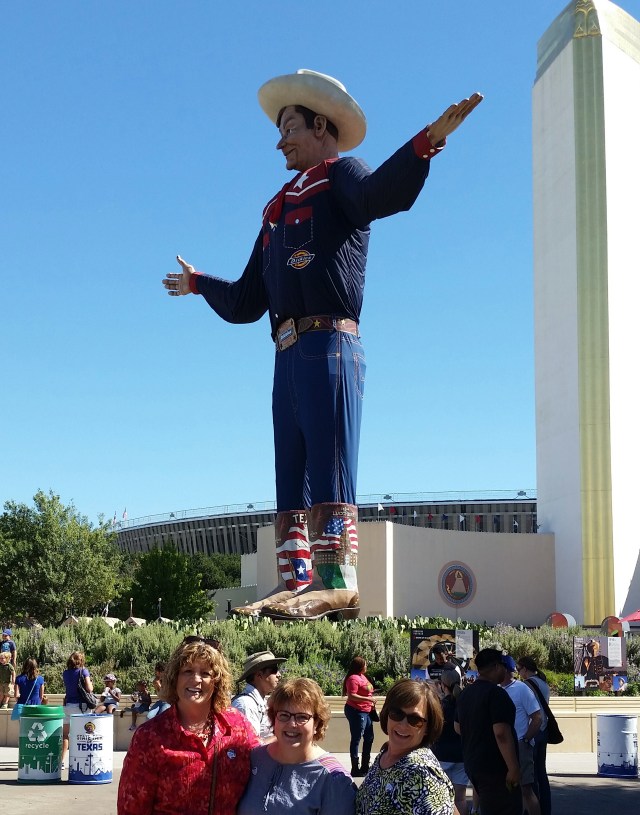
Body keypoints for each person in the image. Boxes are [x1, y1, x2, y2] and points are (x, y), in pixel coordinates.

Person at [162, 69, 483, 622]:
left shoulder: (341, 176)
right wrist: (199, 285)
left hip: (331, 345)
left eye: (289, 126)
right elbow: (245, 301)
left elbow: (383, 193)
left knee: (331, 462)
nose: (279, 139)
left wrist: (426, 144)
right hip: (285, 354)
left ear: (320, 126)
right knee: (291, 468)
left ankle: (338, 579)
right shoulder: (275, 209)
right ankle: (296, 580)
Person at [118, 639, 259, 815]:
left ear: (217, 681)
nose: (196, 679)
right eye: (187, 671)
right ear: (174, 678)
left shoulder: (237, 725)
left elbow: (265, 762)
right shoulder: (150, 737)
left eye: (206, 673)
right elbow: (131, 808)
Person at [237, 677, 356, 815]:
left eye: (302, 717)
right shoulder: (254, 758)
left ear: (317, 723)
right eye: (284, 715)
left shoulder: (334, 780)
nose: (292, 724)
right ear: (274, 719)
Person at [356, 678, 454, 815]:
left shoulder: (422, 773)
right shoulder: (385, 755)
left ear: (427, 727)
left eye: (415, 720)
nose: (403, 724)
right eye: (397, 714)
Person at [455, 648, 521, 815]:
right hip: (496, 768)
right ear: (497, 666)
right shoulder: (496, 694)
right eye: (504, 666)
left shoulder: (465, 694)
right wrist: (513, 767)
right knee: (505, 809)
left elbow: (457, 727)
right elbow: (501, 733)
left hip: (473, 764)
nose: (506, 670)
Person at [500, 654, 542, 815]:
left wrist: (525, 739)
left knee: (525, 789)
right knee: (506, 791)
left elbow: (537, 717)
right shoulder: (496, 689)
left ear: (504, 669)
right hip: (503, 745)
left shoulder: (522, 688)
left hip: (520, 745)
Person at [518, 656, 551, 815]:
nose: (519, 673)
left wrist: (525, 737)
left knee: (531, 778)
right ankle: (545, 809)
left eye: (519, 669)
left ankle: (532, 809)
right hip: (543, 731)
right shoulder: (544, 683)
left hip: (533, 731)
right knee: (541, 773)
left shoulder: (527, 685)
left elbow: (531, 712)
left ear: (525, 668)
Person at [432, 669, 468, 815]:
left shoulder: (439, 706)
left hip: (441, 756)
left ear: (442, 685)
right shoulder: (465, 704)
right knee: (460, 799)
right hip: (461, 756)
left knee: (440, 799)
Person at [232, 650, 286, 741]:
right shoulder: (246, 704)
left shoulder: (259, 702)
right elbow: (251, 746)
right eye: (274, 670)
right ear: (259, 675)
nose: (279, 675)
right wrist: (282, 736)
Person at [342, 655, 375, 776]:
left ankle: (365, 767)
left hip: (367, 711)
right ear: (360, 666)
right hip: (357, 711)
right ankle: (355, 768)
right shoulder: (353, 678)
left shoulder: (362, 676)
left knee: (369, 737)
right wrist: (368, 699)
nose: (366, 666)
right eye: (365, 664)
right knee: (356, 738)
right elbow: (351, 695)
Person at [62, 651, 94, 769]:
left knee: (65, 735)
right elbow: (89, 689)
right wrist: (91, 683)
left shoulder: (65, 673)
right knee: (85, 734)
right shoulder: (83, 671)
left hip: (68, 706)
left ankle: (62, 761)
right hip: (82, 707)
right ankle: (82, 761)